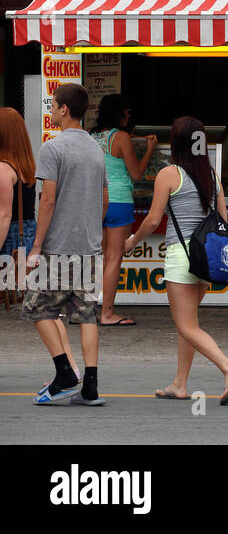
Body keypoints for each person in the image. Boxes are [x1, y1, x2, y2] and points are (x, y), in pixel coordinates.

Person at [124, 116, 228, 404]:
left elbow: (154, 218)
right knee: (189, 323)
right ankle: (179, 384)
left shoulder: (169, 173)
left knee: (185, 326)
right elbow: (222, 217)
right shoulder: (211, 175)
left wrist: (132, 241)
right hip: (206, 257)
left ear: (176, 142)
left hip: (181, 255)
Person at [25, 84, 108, 406]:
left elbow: (47, 201)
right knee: (86, 315)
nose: (50, 109)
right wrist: (91, 228)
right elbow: (104, 198)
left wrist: (36, 246)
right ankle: (90, 386)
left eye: (53, 104)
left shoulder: (53, 147)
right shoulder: (95, 148)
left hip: (59, 246)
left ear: (64, 109)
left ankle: (64, 372)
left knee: (37, 307)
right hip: (89, 245)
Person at [91, 95, 156, 327]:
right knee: (114, 259)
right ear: (118, 113)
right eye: (127, 112)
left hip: (95, 200)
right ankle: (107, 313)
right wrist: (150, 149)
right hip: (118, 199)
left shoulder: (92, 136)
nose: (129, 116)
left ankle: (87, 308)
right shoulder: (121, 137)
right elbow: (137, 173)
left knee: (97, 257)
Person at [1, 107, 39, 306]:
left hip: (10, 233)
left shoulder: (4, 167)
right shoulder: (26, 165)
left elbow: (4, 215)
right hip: (27, 229)